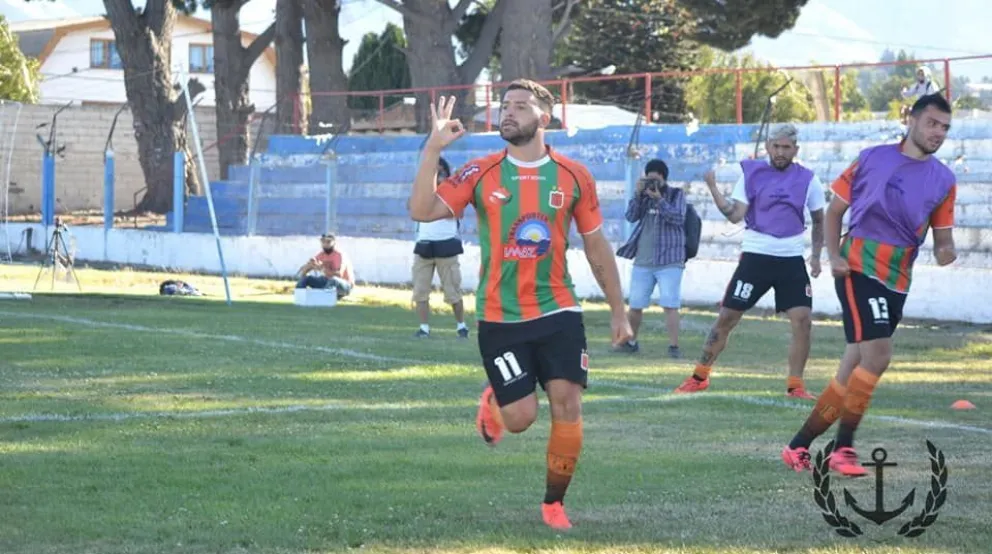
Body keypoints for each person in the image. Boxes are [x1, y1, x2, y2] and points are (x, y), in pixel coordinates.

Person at [408, 80, 632, 530]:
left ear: (544, 118)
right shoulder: (480, 171)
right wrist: (433, 148)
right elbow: (421, 210)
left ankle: (554, 503)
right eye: (504, 105)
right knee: (521, 418)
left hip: (558, 310)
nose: (507, 112)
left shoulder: (574, 176)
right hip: (500, 315)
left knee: (567, 401)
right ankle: (498, 401)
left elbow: (596, 246)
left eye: (520, 106)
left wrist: (618, 310)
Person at [781, 94, 957, 476]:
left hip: (898, 278)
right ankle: (843, 449)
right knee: (878, 355)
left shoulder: (945, 179)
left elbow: (943, 243)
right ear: (910, 119)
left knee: (852, 369)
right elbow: (834, 212)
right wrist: (833, 256)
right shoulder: (872, 157)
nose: (938, 133)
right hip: (858, 266)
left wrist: (948, 253)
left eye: (945, 127)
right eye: (932, 123)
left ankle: (797, 447)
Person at [674, 124, 825, 399]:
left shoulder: (808, 180)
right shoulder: (751, 174)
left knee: (802, 321)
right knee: (728, 317)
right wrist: (712, 187)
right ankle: (699, 376)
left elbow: (819, 220)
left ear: (796, 150)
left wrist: (816, 256)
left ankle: (796, 386)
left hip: (791, 260)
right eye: (776, 146)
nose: (780, 152)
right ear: (768, 147)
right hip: (756, 257)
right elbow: (734, 215)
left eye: (786, 147)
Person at [615, 159, 687, 358]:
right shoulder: (643, 196)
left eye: (656, 179)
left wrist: (659, 200)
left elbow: (678, 218)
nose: (652, 184)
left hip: (670, 259)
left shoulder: (676, 194)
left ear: (664, 178)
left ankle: (674, 347)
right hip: (644, 260)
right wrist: (638, 194)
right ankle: (630, 342)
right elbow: (630, 216)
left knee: (670, 304)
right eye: (649, 179)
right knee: (636, 304)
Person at [410, 156, 469, 339]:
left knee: (453, 290)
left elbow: (454, 212)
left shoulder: (452, 191)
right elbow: (412, 208)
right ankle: (424, 327)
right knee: (420, 291)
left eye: (439, 171)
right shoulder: (422, 191)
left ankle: (461, 325)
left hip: (446, 246)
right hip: (424, 246)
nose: (436, 175)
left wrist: (439, 190)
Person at [295, 233, 354, 298]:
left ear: (334, 243)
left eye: (328, 242)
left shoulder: (339, 255)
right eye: (323, 241)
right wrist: (308, 267)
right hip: (327, 282)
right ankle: (300, 299)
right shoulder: (321, 254)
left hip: (345, 285)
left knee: (333, 280)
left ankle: (323, 298)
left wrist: (322, 269)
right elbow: (304, 273)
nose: (325, 244)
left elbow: (339, 275)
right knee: (306, 279)